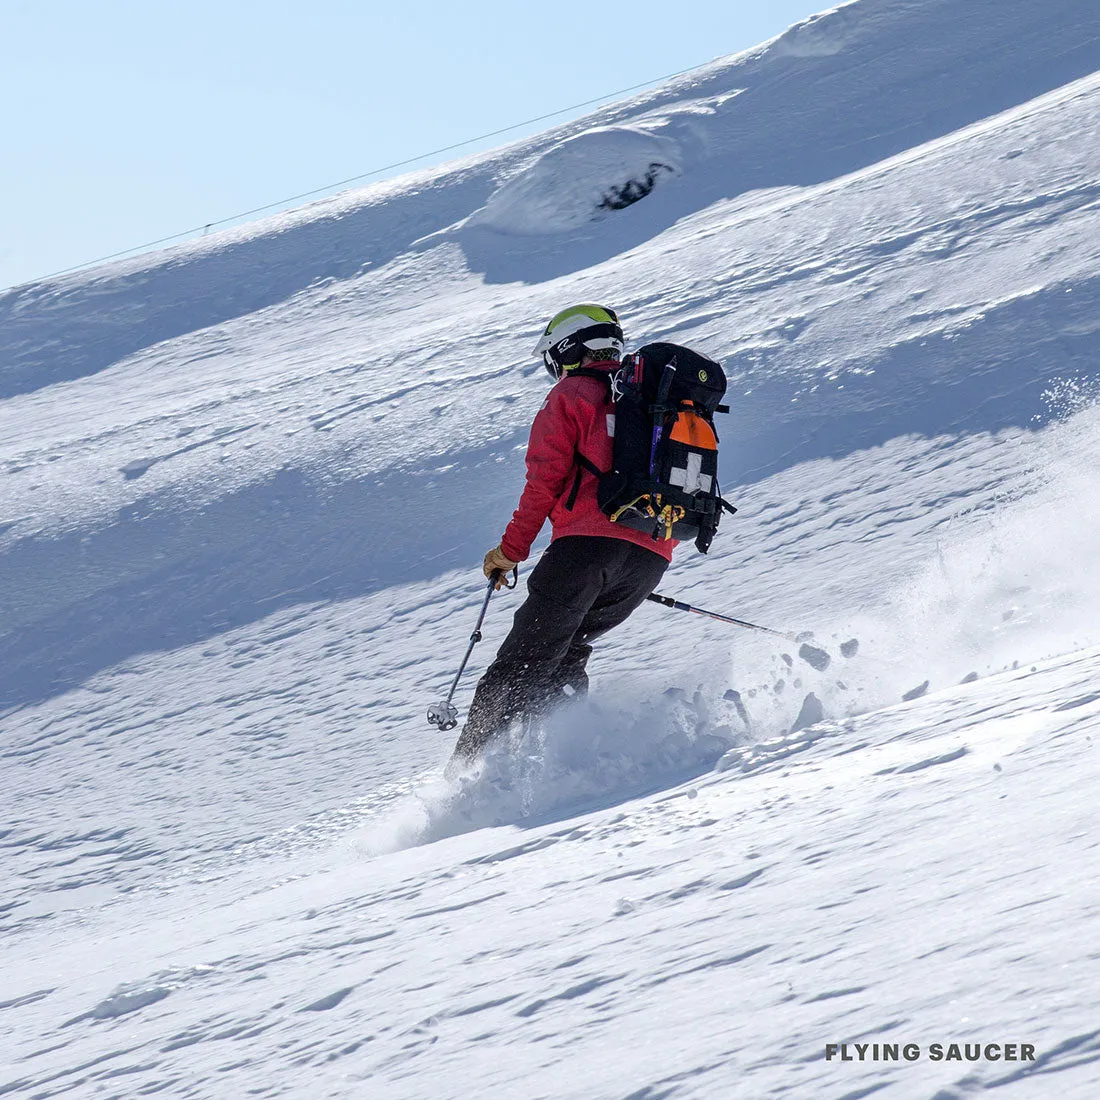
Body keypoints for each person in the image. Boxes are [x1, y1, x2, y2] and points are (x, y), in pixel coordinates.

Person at [450, 304, 676, 764]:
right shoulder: (653, 399)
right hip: (650, 559)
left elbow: (544, 482)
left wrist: (509, 552)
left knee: (520, 665)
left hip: (585, 553)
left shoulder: (572, 394)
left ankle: (466, 781)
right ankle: (566, 761)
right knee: (567, 652)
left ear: (571, 349)